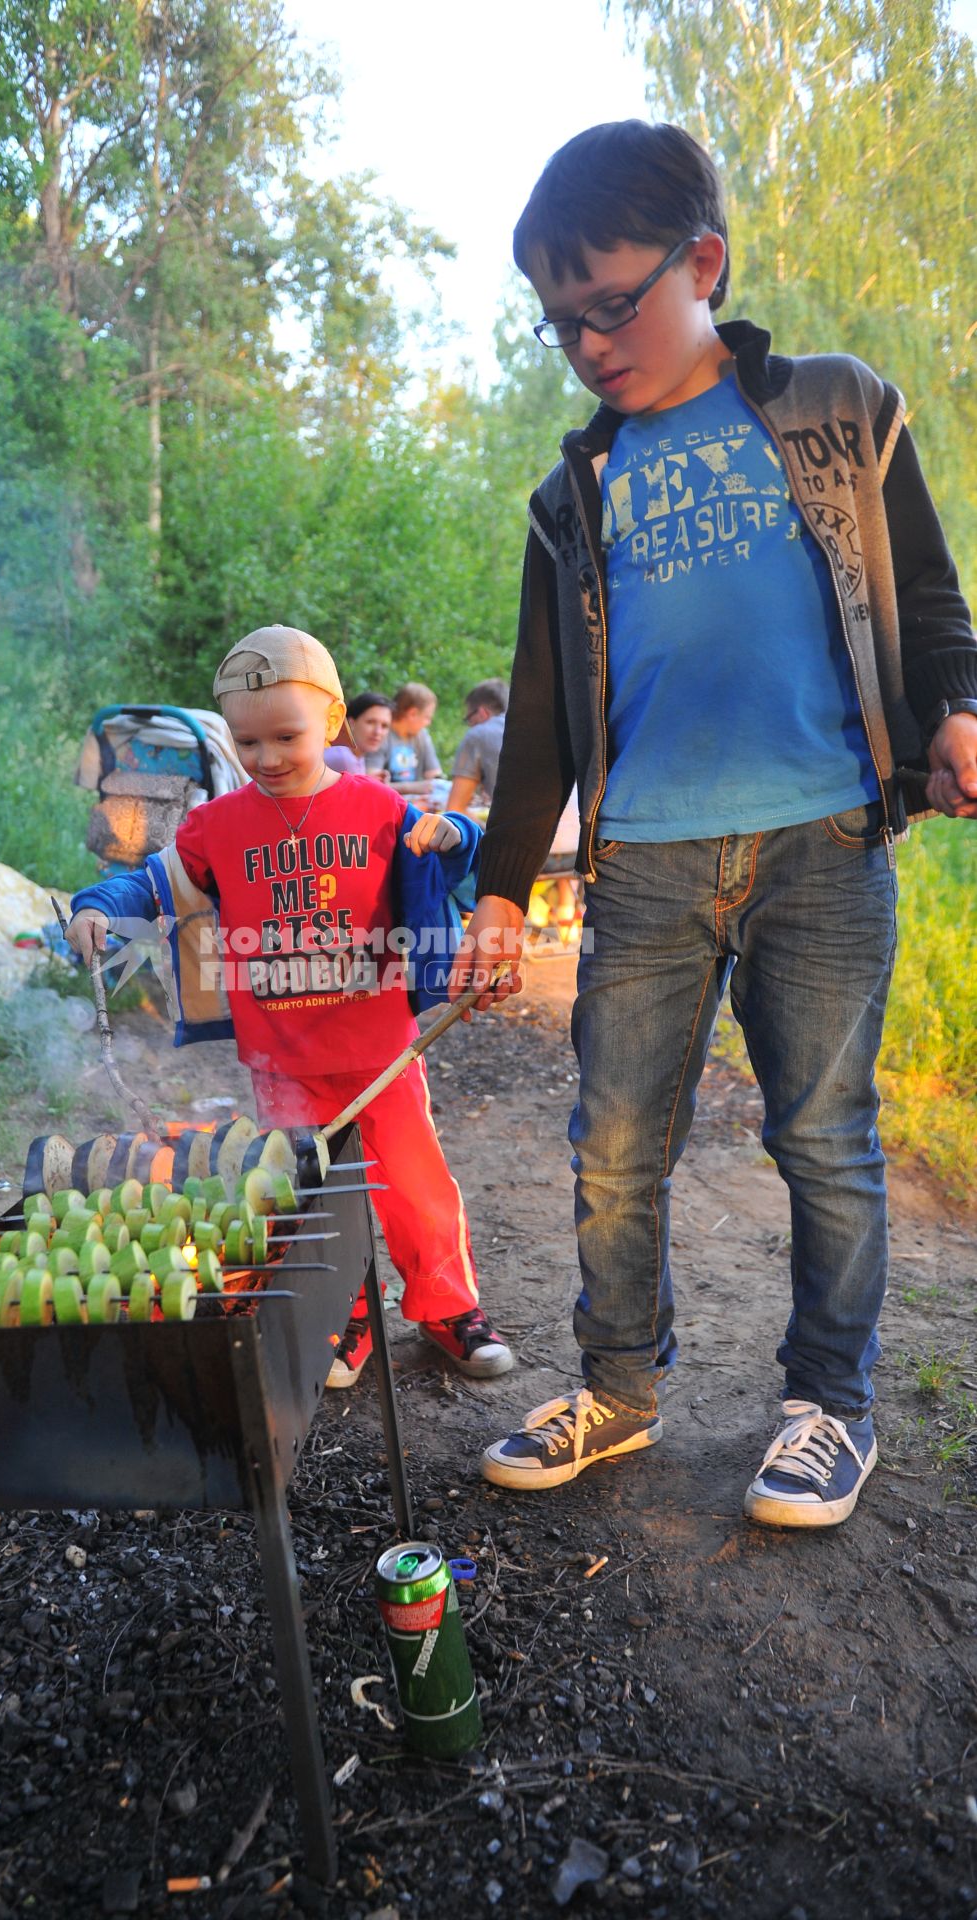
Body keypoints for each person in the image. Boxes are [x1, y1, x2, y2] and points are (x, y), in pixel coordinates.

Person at [450, 120, 977, 1529]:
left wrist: (956, 710)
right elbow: (547, 721)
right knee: (615, 1145)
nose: (586, 345)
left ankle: (828, 1407)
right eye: (560, 324)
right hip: (648, 861)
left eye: (610, 305)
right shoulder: (573, 495)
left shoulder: (832, 410)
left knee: (822, 1137)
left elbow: (923, 596)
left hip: (823, 839)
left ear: (704, 263)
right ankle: (617, 1388)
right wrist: (503, 889)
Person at [67, 625, 513, 1388]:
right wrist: (96, 906)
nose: (267, 756)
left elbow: (466, 848)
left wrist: (452, 833)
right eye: (248, 742)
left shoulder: (378, 810)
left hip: (380, 1051)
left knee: (416, 1187)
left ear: (333, 722)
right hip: (283, 1062)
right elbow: (149, 883)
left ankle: (448, 1307)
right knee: (306, 1201)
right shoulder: (217, 826)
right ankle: (339, 1315)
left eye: (286, 736)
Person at [445, 679, 509, 813]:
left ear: (482, 713)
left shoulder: (478, 735)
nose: (470, 725)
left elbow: (455, 808)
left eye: (469, 719)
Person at [384, 682, 443, 796]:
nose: (428, 723)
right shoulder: (381, 734)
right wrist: (415, 787)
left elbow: (434, 776)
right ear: (412, 713)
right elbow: (372, 781)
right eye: (427, 717)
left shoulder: (422, 735)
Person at [346, 690, 394, 780]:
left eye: (384, 726)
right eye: (370, 722)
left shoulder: (355, 755)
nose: (378, 732)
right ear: (351, 722)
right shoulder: (343, 758)